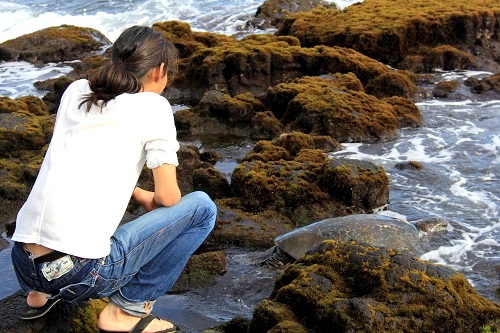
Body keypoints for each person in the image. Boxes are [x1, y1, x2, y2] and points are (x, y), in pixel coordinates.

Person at [10, 25, 217, 333]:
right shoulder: (154, 106)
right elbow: (170, 197)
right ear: (160, 70)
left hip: (24, 264)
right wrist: (154, 198)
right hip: (80, 274)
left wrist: (135, 192)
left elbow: (78, 160)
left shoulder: (77, 90)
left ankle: (39, 295)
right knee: (202, 208)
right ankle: (128, 310)